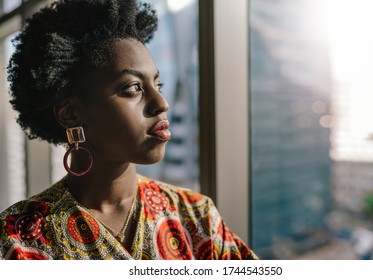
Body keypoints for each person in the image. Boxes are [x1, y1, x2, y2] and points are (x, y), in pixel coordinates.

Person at [0, 0, 258, 260]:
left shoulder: (196, 218)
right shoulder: (18, 240)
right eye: (133, 88)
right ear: (71, 114)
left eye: (158, 84)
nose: (162, 103)